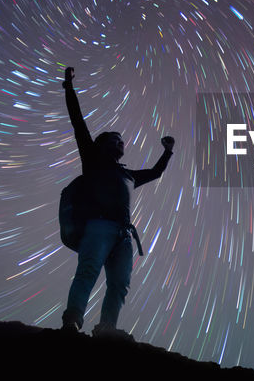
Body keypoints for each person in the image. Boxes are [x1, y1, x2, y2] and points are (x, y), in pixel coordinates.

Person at [60, 66, 174, 338]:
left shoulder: (128, 175)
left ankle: (106, 328)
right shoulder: (93, 159)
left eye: (122, 140)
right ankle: (72, 320)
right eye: (114, 139)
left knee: (119, 284)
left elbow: (155, 172)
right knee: (88, 270)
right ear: (101, 145)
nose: (120, 142)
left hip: (124, 235)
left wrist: (167, 152)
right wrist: (69, 88)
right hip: (98, 227)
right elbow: (78, 122)